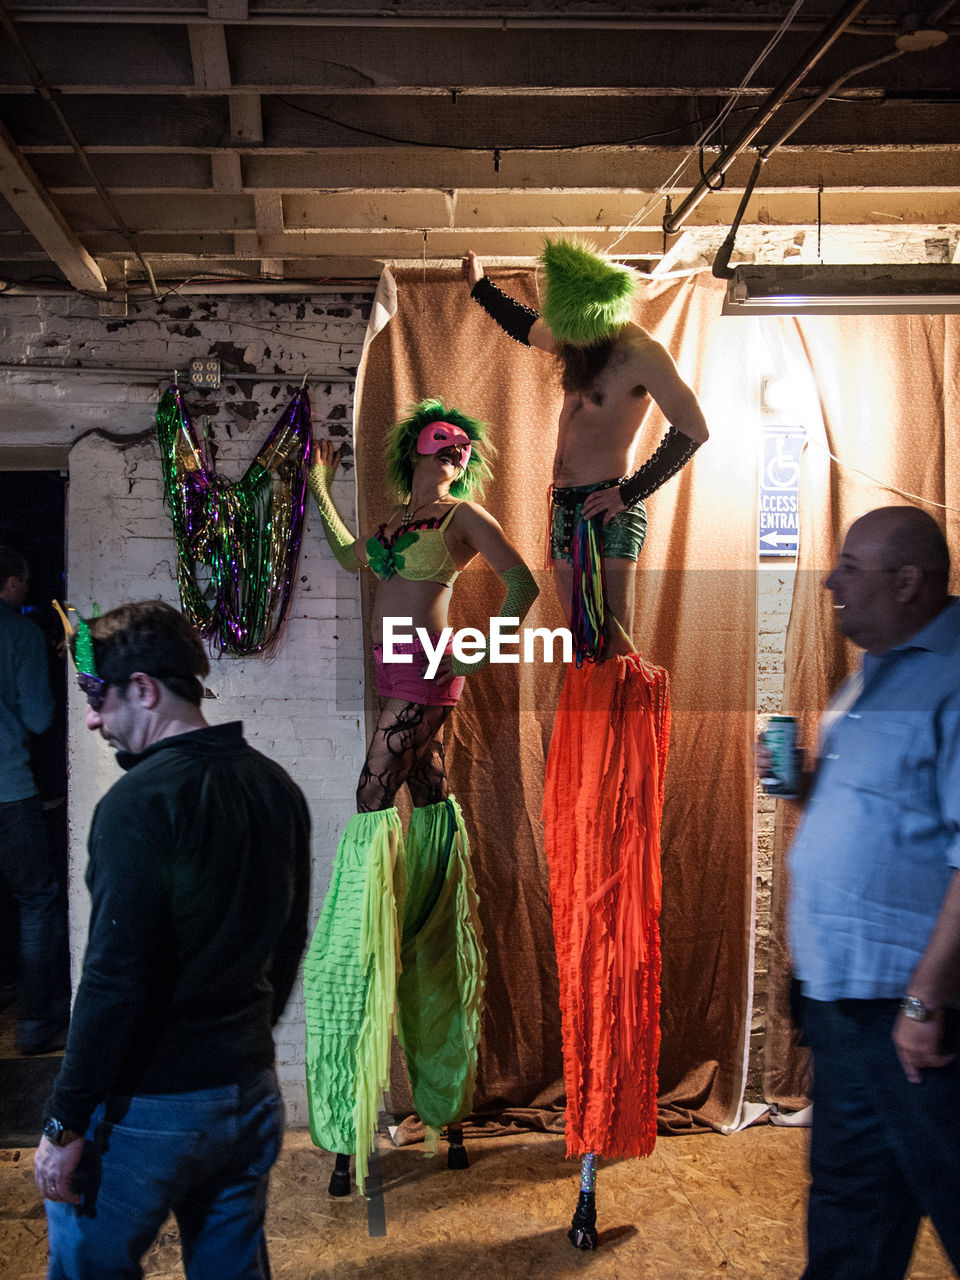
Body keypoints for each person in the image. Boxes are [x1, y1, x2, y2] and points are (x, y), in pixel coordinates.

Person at [35, 599, 311, 1280]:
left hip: (149, 1113)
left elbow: (114, 980)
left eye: (98, 698)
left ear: (145, 689)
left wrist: (64, 1124)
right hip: (248, 1094)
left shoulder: (136, 807)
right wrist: (242, 1046)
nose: (94, 719)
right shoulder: (275, 787)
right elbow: (288, 940)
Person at [303, 398, 538, 1196]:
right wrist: (320, 487)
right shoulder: (401, 525)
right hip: (394, 678)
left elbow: (522, 582)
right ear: (417, 451)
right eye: (442, 446)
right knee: (422, 809)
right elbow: (345, 558)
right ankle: (444, 1108)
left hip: (427, 682)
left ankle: (360, 979)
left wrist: (476, 648)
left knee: (370, 804)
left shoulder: (462, 518)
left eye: (462, 449)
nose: (453, 456)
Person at [764, 505, 960, 1279]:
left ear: (908, 581)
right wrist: (804, 783)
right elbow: (884, 819)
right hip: (843, 1004)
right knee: (850, 1204)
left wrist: (924, 1001)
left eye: (850, 566)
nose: (830, 580)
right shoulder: (870, 674)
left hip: (914, 1016)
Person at [463, 237, 708, 661]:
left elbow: (693, 429)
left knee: (615, 645)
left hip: (607, 507)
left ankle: (626, 728)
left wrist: (627, 493)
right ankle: (589, 726)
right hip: (564, 506)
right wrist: (481, 286)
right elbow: (525, 325)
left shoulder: (642, 354)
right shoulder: (581, 340)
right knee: (583, 640)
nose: (562, 335)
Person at [0, 545, 68, 1055]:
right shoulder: (18, 633)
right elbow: (41, 717)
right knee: (38, 900)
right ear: (9, 582)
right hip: (9, 790)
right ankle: (35, 1025)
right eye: (22, 583)